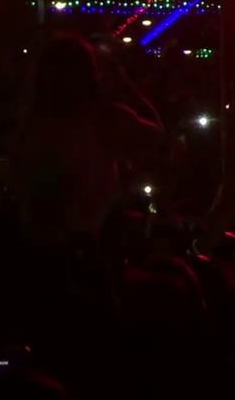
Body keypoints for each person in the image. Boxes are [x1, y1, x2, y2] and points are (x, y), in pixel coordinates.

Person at [9, 33, 163, 245]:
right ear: (90, 73)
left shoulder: (31, 122)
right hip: (83, 243)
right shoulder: (106, 118)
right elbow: (156, 135)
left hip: (31, 242)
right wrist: (125, 84)